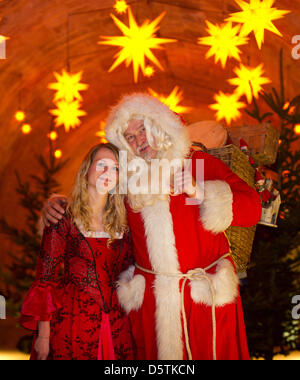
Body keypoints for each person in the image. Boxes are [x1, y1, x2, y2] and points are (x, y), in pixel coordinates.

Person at [42, 93, 262, 360]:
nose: (139, 140)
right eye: (130, 137)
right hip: (152, 308)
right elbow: (92, 207)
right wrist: (57, 204)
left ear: (159, 125)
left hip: (204, 301)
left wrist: (200, 191)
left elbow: (252, 208)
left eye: (143, 129)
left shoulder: (199, 164)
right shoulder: (125, 182)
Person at [20, 143, 135, 360]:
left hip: (117, 325)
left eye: (115, 168)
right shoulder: (63, 216)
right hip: (72, 322)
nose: (107, 173)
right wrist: (44, 336)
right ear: (87, 169)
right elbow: (46, 279)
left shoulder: (125, 222)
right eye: (101, 164)